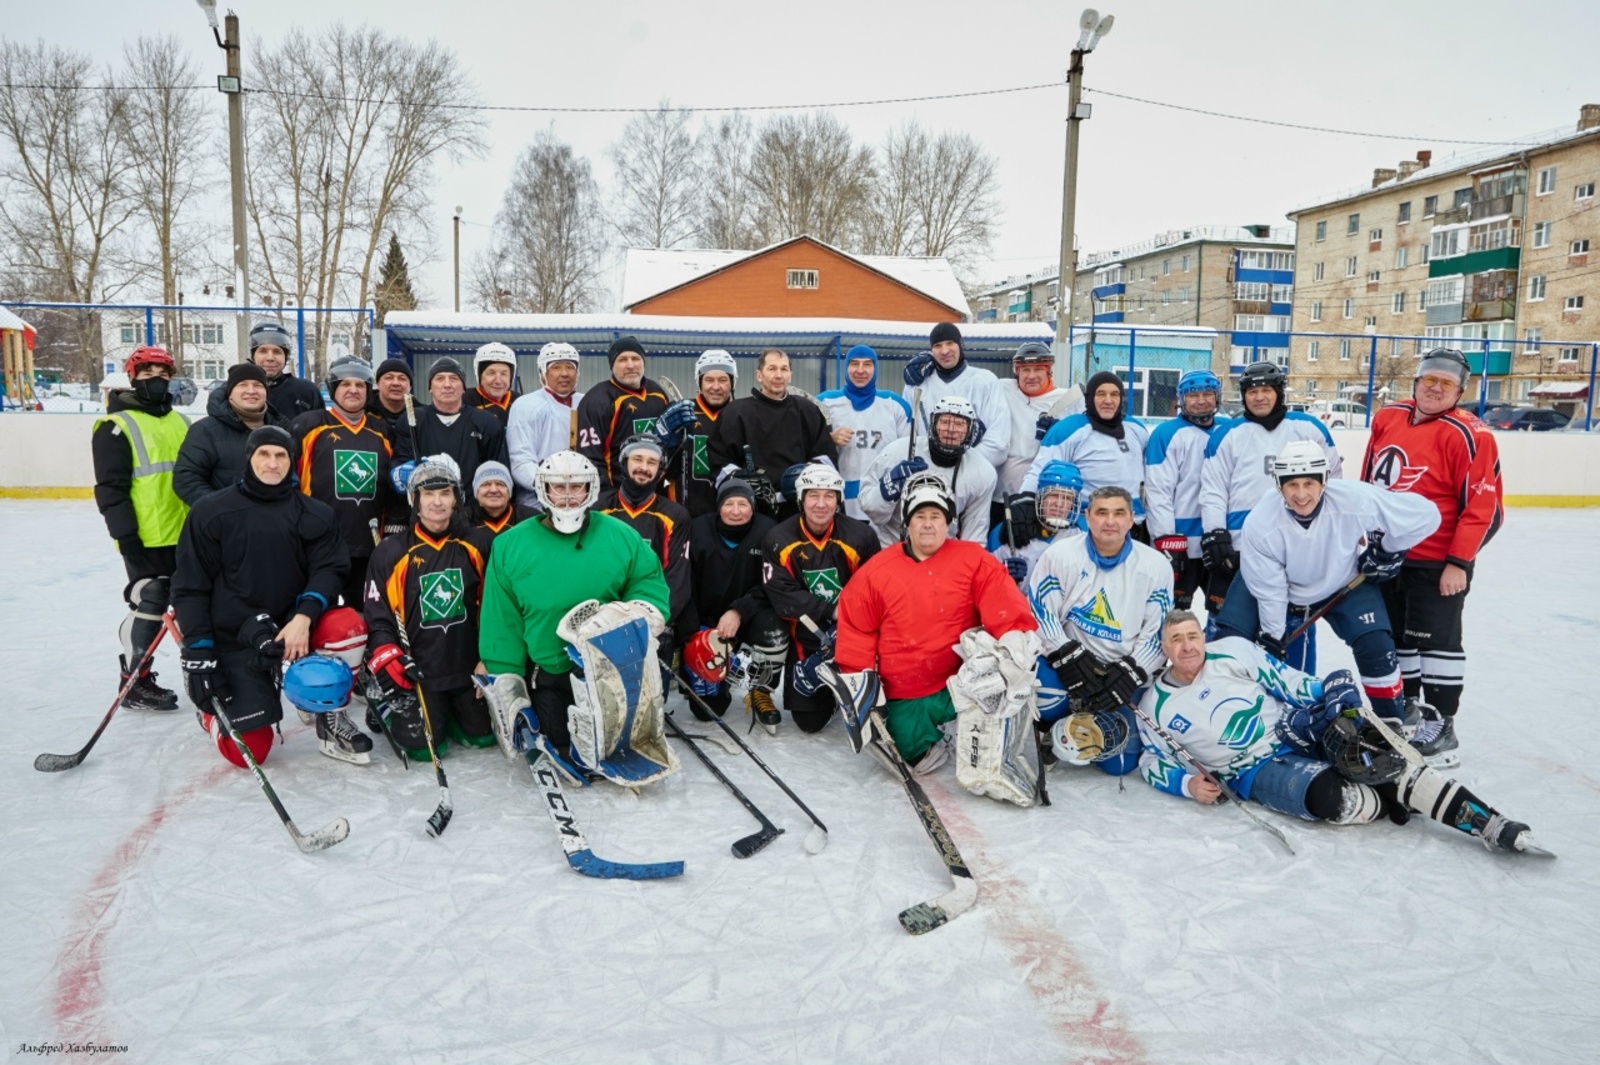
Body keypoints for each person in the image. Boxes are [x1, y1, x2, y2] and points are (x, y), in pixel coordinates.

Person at [1136, 611, 1542, 854]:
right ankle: (1397, 798)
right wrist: (1188, 785)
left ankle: (1490, 824)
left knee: (1376, 755)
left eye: (1193, 636)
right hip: (1252, 771)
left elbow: (1291, 682)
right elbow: (1151, 760)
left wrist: (1331, 688)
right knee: (1333, 798)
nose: (1188, 646)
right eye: (1176, 640)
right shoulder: (1155, 706)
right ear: (1164, 648)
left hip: (1294, 731)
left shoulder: (1233, 652)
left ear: (1203, 637)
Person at [1211, 440, 1441, 731]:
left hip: (1344, 581)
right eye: (1292, 485)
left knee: (1376, 646)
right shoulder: (1261, 522)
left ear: (1324, 481)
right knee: (1230, 642)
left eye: (1309, 483)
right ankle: (1222, 713)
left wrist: (1387, 549)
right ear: (1279, 485)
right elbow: (1270, 591)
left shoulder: (1355, 500)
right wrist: (1273, 635)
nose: (1301, 494)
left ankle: (1390, 725)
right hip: (1275, 586)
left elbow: (1426, 515)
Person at [477, 450, 674, 784]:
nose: (568, 496)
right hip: (548, 668)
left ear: (590, 489)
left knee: (608, 743)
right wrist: (506, 682)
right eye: (558, 487)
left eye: (576, 487)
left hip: (609, 669)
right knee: (560, 739)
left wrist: (629, 613)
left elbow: (648, 583)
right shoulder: (509, 545)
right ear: (544, 490)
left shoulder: (620, 535)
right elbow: (502, 620)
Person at [173, 426, 362, 766]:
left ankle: (330, 715)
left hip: (293, 629)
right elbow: (190, 585)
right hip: (235, 636)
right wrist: (199, 649)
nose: (272, 463)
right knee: (250, 753)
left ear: (292, 461)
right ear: (249, 458)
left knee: (346, 625)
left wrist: (304, 616)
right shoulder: (210, 511)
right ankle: (212, 716)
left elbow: (330, 569)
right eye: (263, 454)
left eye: (280, 455)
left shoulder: (315, 513)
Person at [833, 475, 1038, 781]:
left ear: (947, 523)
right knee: (910, 753)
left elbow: (1004, 604)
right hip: (907, 691)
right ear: (907, 523)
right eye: (920, 516)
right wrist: (863, 694)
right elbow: (856, 632)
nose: (928, 524)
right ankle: (934, 735)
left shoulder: (974, 558)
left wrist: (1014, 641)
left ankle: (980, 738)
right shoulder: (876, 572)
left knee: (1004, 673)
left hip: (965, 682)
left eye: (935, 516)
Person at [1360, 348, 1503, 766]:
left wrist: (1458, 562)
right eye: (1429, 379)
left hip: (1436, 560)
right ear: (1416, 382)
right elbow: (1368, 483)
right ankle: (1407, 709)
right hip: (1388, 554)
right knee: (1398, 637)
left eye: (1446, 383)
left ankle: (1442, 725)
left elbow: (1485, 509)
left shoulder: (1472, 434)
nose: (1436, 388)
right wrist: (1363, 538)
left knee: (1437, 643)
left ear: (1460, 391)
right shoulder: (1389, 417)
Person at [1028, 485, 1173, 777]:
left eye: (1119, 513)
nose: (1110, 521)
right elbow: (1040, 612)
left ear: (1131, 519)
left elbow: (1158, 633)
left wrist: (1132, 672)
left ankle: (1089, 714)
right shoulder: (1060, 555)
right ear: (1087, 517)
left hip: (1121, 669)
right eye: (1102, 512)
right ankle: (1055, 727)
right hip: (1070, 665)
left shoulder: (1156, 565)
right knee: (1045, 696)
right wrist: (1066, 654)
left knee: (1118, 765)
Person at [363, 455, 497, 760]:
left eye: (445, 493)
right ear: (415, 499)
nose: (437, 502)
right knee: (424, 751)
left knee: (482, 736)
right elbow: (378, 615)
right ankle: (389, 705)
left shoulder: (478, 544)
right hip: (419, 670)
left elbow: (496, 607)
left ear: (456, 498)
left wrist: (491, 655)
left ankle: (449, 710)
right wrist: (388, 654)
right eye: (428, 494)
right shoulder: (391, 552)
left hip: (467, 667)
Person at [91, 345, 191, 711]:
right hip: (146, 538)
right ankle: (135, 679)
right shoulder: (115, 426)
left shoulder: (181, 421)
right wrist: (125, 534)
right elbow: (110, 488)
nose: (157, 380)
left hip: (187, 534)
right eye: (148, 374)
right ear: (133, 378)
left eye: (163, 374)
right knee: (150, 604)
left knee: (196, 604)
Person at [1199, 361, 1342, 599]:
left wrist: (1331, 529)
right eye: (1252, 392)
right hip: (1240, 542)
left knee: (1292, 616)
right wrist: (1215, 533)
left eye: (1266, 390)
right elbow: (1213, 490)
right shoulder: (1226, 435)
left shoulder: (1309, 427)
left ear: (1279, 392)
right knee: (1228, 618)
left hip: (1298, 541)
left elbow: (1333, 482)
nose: (1259, 397)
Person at [758, 463, 880, 734]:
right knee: (808, 722)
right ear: (801, 499)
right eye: (813, 495)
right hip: (807, 635)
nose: (821, 504)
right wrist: (830, 611)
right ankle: (828, 690)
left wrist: (847, 619)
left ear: (838, 500)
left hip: (852, 631)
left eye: (829, 496)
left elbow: (875, 590)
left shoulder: (861, 536)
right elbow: (781, 593)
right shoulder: (778, 538)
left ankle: (846, 679)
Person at [289, 356, 396, 607]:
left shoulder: (382, 431)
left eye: (360, 385)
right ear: (333, 388)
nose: (353, 390)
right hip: (319, 543)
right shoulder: (308, 425)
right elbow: (288, 479)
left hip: (368, 543)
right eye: (345, 384)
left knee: (362, 615)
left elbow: (390, 486)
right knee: (317, 611)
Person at [679, 478, 780, 719]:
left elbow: (774, 585)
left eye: (743, 504)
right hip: (706, 627)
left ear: (752, 507)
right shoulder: (697, 530)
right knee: (707, 712)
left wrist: (739, 610)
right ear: (718, 507)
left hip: (748, 620)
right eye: (728, 504)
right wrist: (694, 632)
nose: (736, 511)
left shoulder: (768, 532)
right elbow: (683, 584)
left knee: (773, 624)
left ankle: (761, 690)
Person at [709, 348, 838, 519]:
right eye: (772, 368)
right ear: (759, 375)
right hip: (752, 512)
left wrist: (807, 475)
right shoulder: (735, 413)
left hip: (800, 510)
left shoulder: (808, 410)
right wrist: (740, 480)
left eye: (784, 369)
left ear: (790, 375)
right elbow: (718, 461)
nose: (778, 375)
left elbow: (826, 455)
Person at [597, 435, 694, 659]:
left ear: (660, 470)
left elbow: (677, 581)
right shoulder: (598, 509)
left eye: (652, 462)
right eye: (637, 459)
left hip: (650, 619)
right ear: (624, 463)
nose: (644, 467)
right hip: (602, 616)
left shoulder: (675, 515)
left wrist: (654, 622)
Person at [858, 394, 995, 547]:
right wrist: (886, 490)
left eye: (959, 424)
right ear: (933, 424)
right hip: (890, 546)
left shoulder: (982, 471)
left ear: (970, 430)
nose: (951, 430)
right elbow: (869, 508)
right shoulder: (896, 452)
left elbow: (974, 535)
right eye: (944, 422)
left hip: (942, 552)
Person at [1022, 371, 1150, 535]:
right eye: (1101, 394)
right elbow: (1040, 470)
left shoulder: (1136, 428)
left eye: (1114, 394)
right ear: (1089, 398)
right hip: (1084, 525)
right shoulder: (1068, 428)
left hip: (1131, 523)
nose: (1108, 400)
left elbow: (1151, 475)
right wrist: (1024, 502)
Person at [1144, 369, 1227, 609]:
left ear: (1217, 396)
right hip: (1181, 542)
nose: (1201, 401)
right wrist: (1165, 539)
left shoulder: (1229, 429)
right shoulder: (1166, 434)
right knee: (1172, 614)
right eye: (1193, 395)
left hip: (1220, 542)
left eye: (1207, 394)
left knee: (1224, 616)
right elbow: (1158, 491)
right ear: (1181, 399)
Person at [173, 362, 292, 506]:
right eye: (242, 385)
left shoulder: (282, 429)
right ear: (230, 392)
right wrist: (224, 510)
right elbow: (186, 480)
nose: (251, 391)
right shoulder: (205, 430)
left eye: (258, 385)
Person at [815, 344, 911, 520]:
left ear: (876, 368)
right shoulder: (825, 402)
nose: (860, 370)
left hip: (885, 499)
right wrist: (829, 439)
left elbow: (908, 453)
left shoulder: (895, 405)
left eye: (867, 364)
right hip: (839, 501)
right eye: (854, 364)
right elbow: (807, 446)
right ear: (846, 367)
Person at [900, 322, 1010, 470]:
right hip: (926, 473)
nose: (944, 351)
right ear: (931, 351)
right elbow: (906, 437)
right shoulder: (916, 384)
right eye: (937, 346)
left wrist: (959, 468)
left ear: (961, 344)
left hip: (972, 474)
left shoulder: (985, 381)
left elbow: (999, 442)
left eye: (950, 343)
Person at [390, 356, 508, 493]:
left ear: (463, 388)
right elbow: (400, 461)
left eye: (454, 379)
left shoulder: (486, 422)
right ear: (430, 387)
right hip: (428, 503)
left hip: (472, 504)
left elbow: (498, 469)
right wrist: (400, 472)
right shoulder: (413, 420)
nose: (447, 385)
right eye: (440, 379)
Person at [575, 336, 670, 493]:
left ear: (643, 362)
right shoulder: (597, 399)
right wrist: (605, 496)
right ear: (612, 365)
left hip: (654, 494)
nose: (630, 365)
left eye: (635, 358)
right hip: (617, 495)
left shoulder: (657, 393)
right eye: (622, 360)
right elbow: (590, 457)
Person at [654, 349, 741, 517]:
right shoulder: (679, 412)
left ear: (733, 382)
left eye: (723, 380)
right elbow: (661, 467)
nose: (716, 387)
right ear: (699, 382)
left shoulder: (742, 415)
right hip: (682, 512)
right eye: (709, 379)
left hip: (731, 514)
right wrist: (663, 440)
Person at [995, 341, 1076, 508]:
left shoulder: (1069, 399)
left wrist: (1059, 431)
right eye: (1025, 370)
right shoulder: (1002, 389)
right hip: (1000, 495)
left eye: (1038, 369)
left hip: (1046, 498)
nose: (1031, 376)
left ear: (1049, 371)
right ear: (1017, 372)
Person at [506, 342, 585, 509]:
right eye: (556, 367)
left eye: (570, 367)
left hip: (580, 497)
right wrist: (550, 486)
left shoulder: (588, 403)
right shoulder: (526, 405)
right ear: (543, 372)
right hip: (537, 502)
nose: (564, 374)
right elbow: (520, 460)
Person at [989, 459, 1085, 589]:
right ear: (1040, 496)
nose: (1059, 504)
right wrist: (1000, 575)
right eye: (1054, 495)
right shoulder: (1007, 531)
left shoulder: (1080, 537)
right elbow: (984, 584)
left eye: (1067, 498)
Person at [248, 320, 322, 420]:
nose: (270, 358)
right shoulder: (236, 391)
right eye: (263, 351)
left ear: (285, 357)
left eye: (277, 352)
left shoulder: (306, 391)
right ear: (253, 356)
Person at [465, 460, 528, 538]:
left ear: (509, 491)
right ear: (477, 492)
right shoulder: (462, 520)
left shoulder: (529, 518)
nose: (493, 490)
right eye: (486, 484)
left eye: (500, 484)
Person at [468, 342, 520, 427]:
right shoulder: (464, 401)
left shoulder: (519, 402)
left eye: (504, 374)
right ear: (479, 375)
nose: (498, 381)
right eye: (491, 373)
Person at [366, 357, 414, 436]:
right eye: (389, 378)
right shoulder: (362, 413)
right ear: (377, 383)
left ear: (410, 386)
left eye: (402, 378)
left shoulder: (421, 417)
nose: (396, 383)